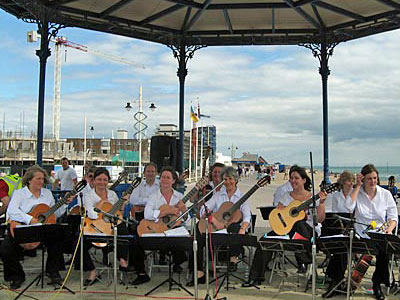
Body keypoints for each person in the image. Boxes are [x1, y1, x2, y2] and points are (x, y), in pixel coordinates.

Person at [244, 165, 326, 286]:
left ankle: (306, 258)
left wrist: (322, 203)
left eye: (296, 178)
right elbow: (278, 218)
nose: (293, 181)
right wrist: (279, 211)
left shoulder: (313, 197)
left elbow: (320, 219)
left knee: (299, 223)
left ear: (304, 180)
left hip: (306, 231)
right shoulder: (285, 196)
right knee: (263, 241)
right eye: (291, 178)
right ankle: (255, 277)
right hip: (287, 231)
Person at [0, 166, 68, 289]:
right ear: (29, 180)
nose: (41, 181)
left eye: (42, 179)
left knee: (57, 238)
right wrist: (30, 219)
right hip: (23, 227)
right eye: (38, 178)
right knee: (6, 249)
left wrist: (64, 204)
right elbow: (12, 211)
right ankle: (17, 276)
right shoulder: (20, 193)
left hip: (42, 229)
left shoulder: (47, 194)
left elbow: (54, 213)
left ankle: (52, 271)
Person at [187, 166, 251, 287]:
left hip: (232, 231)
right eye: (225, 179)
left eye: (230, 179)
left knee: (235, 228)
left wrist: (243, 228)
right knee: (197, 237)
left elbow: (247, 216)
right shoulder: (218, 195)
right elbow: (204, 208)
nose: (228, 182)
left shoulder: (242, 197)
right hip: (217, 230)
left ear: (236, 180)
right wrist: (206, 214)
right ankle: (199, 273)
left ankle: (233, 259)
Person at [133, 166, 188, 286]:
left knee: (187, 238)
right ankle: (141, 273)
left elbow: (187, 220)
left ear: (173, 181)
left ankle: (178, 263)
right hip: (156, 231)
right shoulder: (153, 196)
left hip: (172, 232)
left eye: (168, 178)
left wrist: (184, 210)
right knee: (136, 241)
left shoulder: (179, 197)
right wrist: (164, 212)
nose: (165, 180)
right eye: (163, 177)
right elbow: (147, 214)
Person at [351, 165, 396, 300]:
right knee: (380, 247)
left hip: (380, 234)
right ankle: (380, 281)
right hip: (361, 234)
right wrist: (357, 187)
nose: (373, 181)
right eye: (369, 178)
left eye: (375, 178)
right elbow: (348, 207)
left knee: (384, 247)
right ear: (363, 179)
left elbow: (393, 217)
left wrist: (389, 229)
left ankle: (376, 284)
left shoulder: (385, 194)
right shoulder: (356, 193)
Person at [75, 167, 119, 286]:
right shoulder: (88, 195)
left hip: (108, 228)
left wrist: (122, 204)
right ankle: (92, 271)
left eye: (105, 180)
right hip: (94, 228)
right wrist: (102, 203)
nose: (102, 182)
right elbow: (91, 214)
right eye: (99, 179)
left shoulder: (113, 195)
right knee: (79, 243)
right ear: (94, 181)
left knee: (124, 233)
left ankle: (124, 263)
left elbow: (117, 213)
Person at [117, 163, 159, 273]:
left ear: (156, 173)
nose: (150, 174)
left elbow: (160, 203)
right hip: (139, 216)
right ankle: (133, 265)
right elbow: (133, 200)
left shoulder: (160, 185)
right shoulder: (138, 185)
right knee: (132, 234)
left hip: (156, 217)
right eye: (148, 171)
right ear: (144, 173)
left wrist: (145, 202)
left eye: (152, 171)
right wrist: (151, 201)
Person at [322, 171, 359, 297]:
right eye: (349, 181)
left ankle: (335, 280)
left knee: (342, 247)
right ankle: (335, 280)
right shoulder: (336, 196)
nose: (351, 183)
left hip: (352, 227)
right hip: (339, 226)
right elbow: (333, 213)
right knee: (338, 245)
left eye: (352, 181)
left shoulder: (356, 194)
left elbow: (353, 210)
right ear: (342, 182)